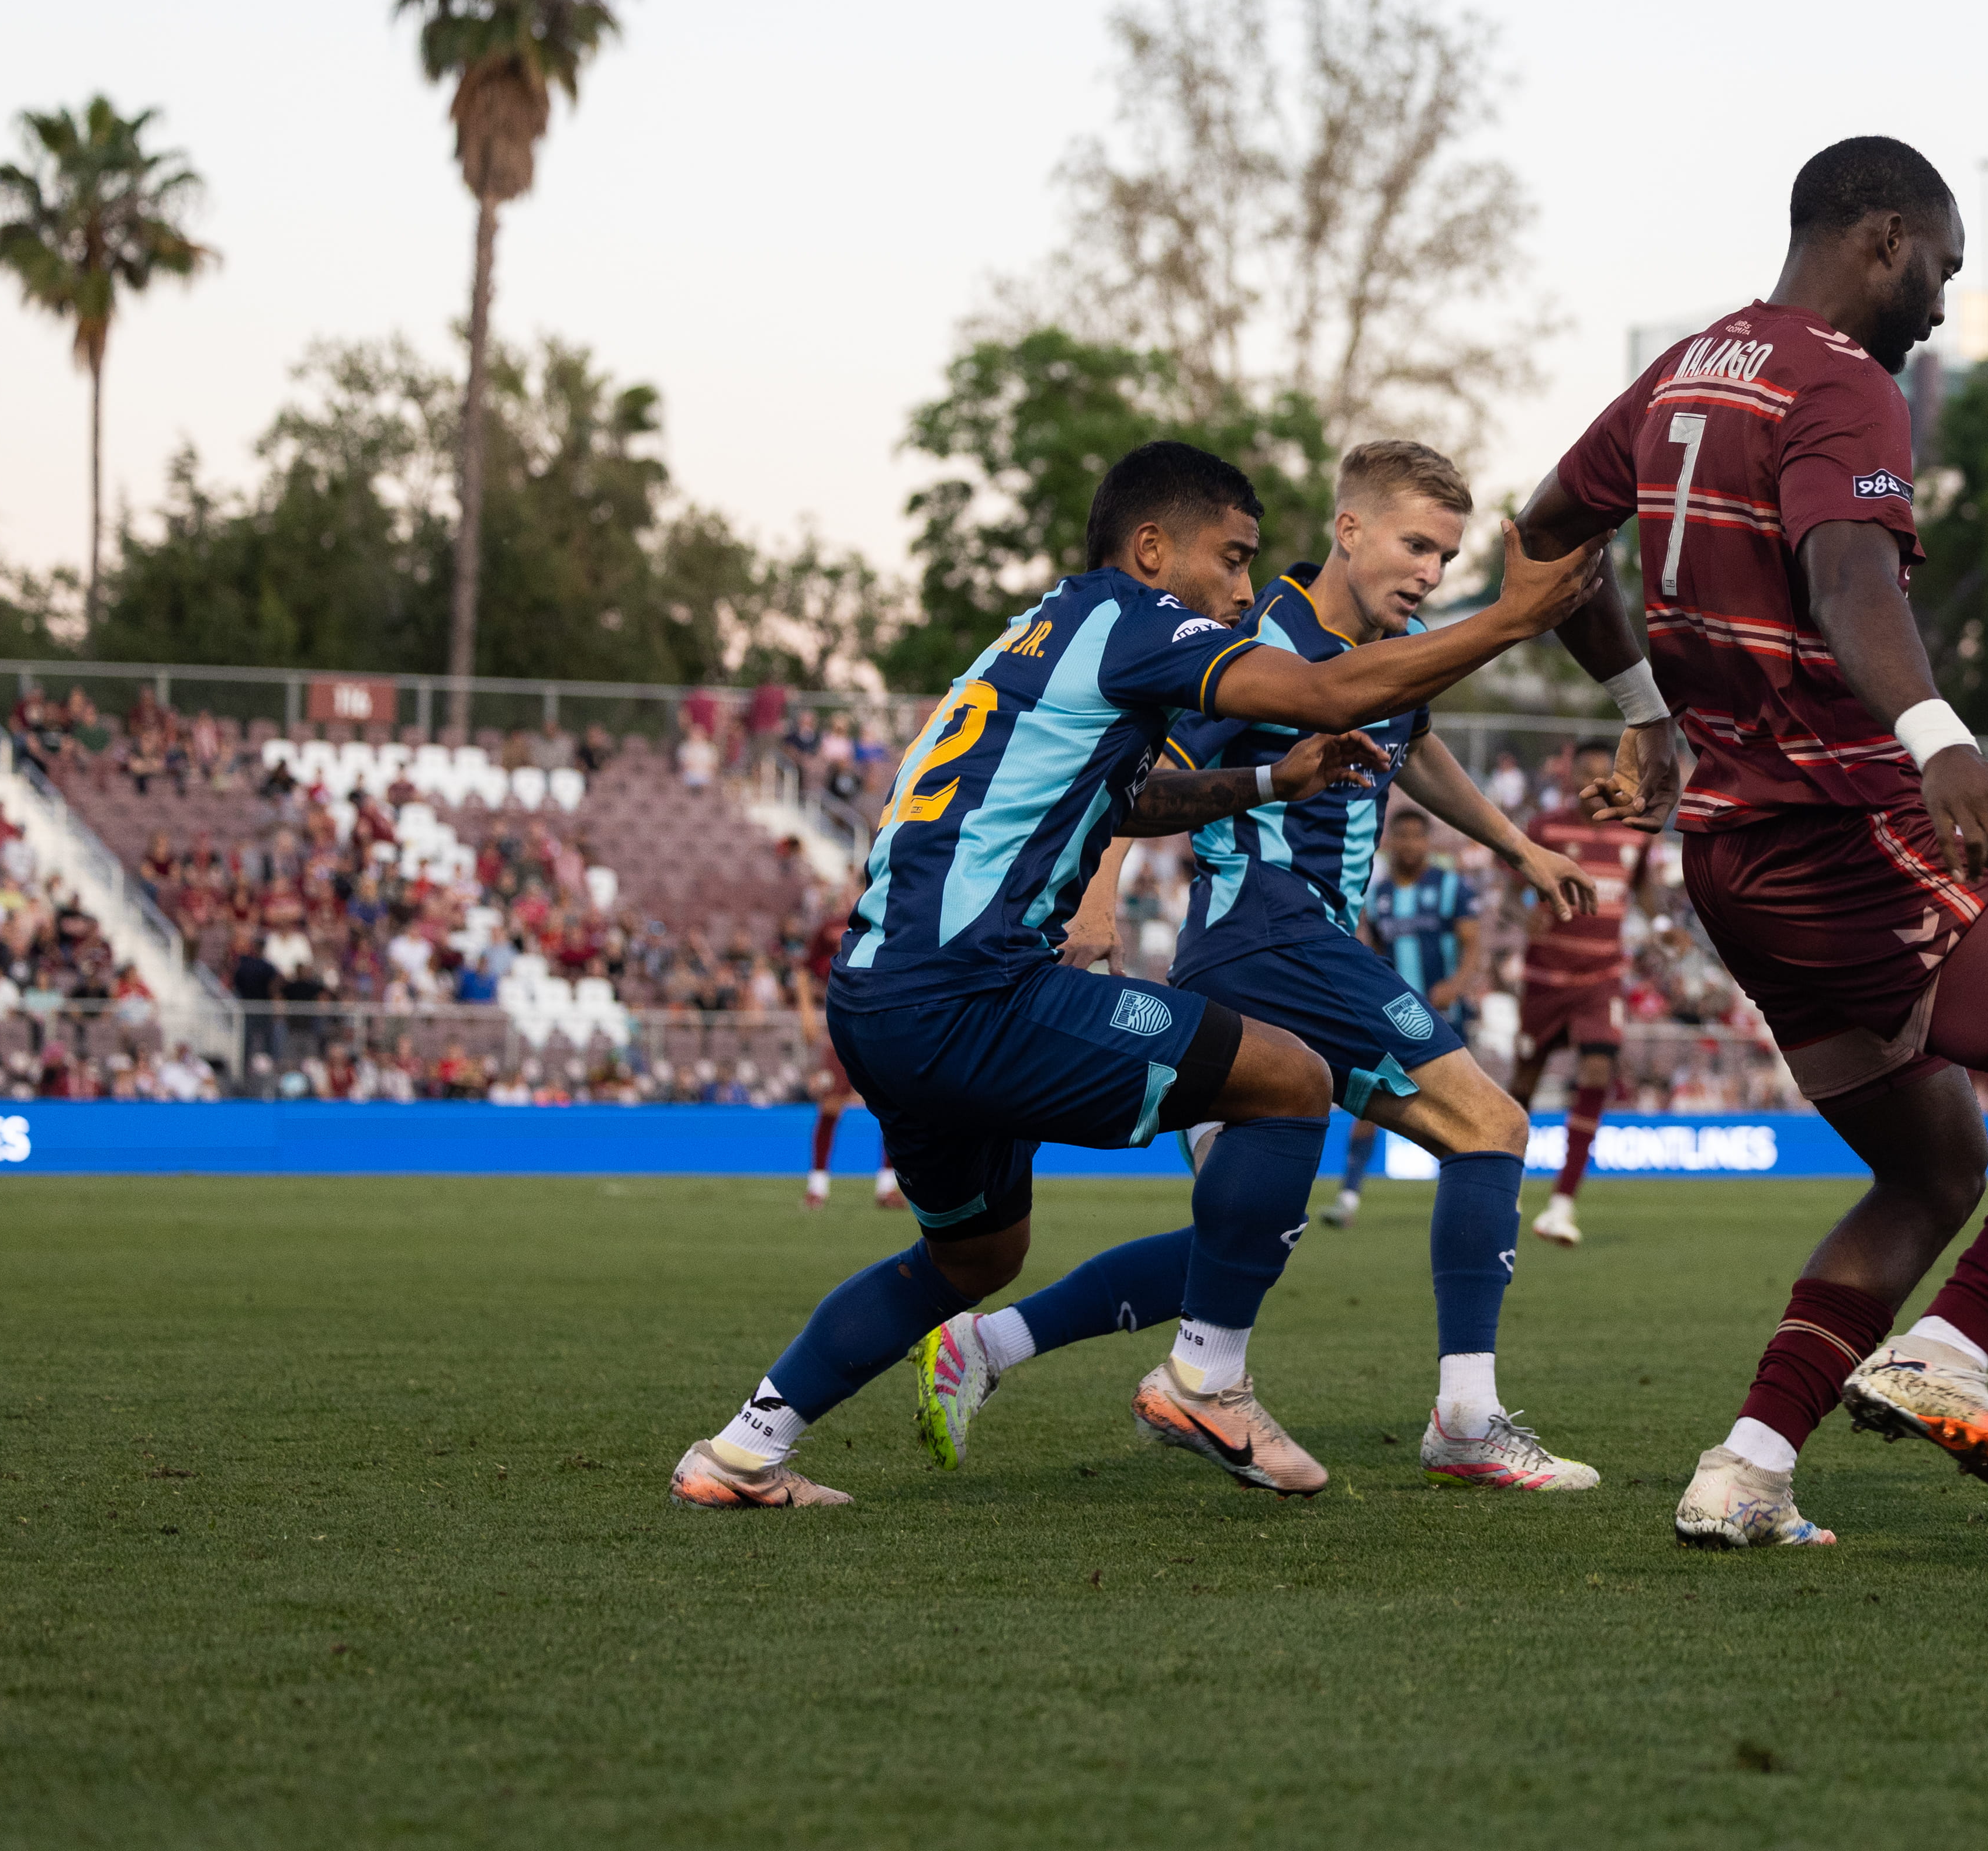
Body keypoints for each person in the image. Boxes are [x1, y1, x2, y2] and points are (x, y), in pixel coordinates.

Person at [1513, 136, 1988, 1551]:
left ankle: (1746, 1468)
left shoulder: (1683, 372)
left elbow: (1544, 537)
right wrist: (1939, 735)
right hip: (1847, 829)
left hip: (1732, 860)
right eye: (1945, 269)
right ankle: (1950, 1348)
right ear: (1884, 236)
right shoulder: (1844, 382)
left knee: (1931, 1169)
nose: (1946, 306)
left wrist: (1642, 708)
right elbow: (1846, 577)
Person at [666, 439, 1597, 1509]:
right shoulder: (1143, 623)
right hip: (978, 992)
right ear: (1153, 550)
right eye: (1233, 559)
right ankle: (1209, 1380)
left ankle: (741, 1452)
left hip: (881, 996)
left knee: (974, 1259)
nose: (1245, 590)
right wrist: (1515, 619)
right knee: (1292, 1082)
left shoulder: (1043, 631)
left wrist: (1263, 780)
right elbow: (1326, 688)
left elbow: (1133, 797)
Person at [967, 440, 1609, 1495]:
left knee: (1240, 1232)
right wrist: (1098, 892)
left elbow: (1418, 742)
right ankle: (1465, 1418)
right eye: (1415, 546)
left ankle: (993, 1348)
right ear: (1347, 530)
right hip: (1272, 934)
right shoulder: (1265, 638)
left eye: (1447, 559)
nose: (1431, 575)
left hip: (1265, 952)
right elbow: (1150, 765)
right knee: (1490, 1127)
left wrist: (1519, 846)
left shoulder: (1391, 654)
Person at [1323, 804, 1484, 1226]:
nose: (1410, 844)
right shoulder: (1377, 896)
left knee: (1462, 1107)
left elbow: (1472, 943)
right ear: (1389, 842)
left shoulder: (1452, 888)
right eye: (1402, 837)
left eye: (1418, 836)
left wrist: (1456, 985)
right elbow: (1372, 950)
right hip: (1393, 1018)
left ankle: (1477, 1195)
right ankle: (1349, 1196)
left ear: (1428, 842)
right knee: (1370, 1102)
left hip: (1447, 1016)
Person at [1513, 740, 1644, 1246]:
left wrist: (1658, 922)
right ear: (1571, 780)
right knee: (1524, 1083)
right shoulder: (1545, 828)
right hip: (1546, 978)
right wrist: (1519, 911)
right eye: (1586, 775)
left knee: (1597, 1071)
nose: (1595, 785)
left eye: (1603, 775)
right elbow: (1508, 892)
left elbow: (1643, 891)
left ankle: (1563, 1203)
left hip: (1601, 976)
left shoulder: (1634, 831)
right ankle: (1507, 1186)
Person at [793, 874, 901, 1212]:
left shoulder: (886, 924)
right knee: (830, 1106)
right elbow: (802, 971)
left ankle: (888, 1187)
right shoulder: (830, 928)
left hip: (880, 1025)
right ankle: (818, 1187)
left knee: (896, 1107)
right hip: (841, 1026)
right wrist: (807, 1013)